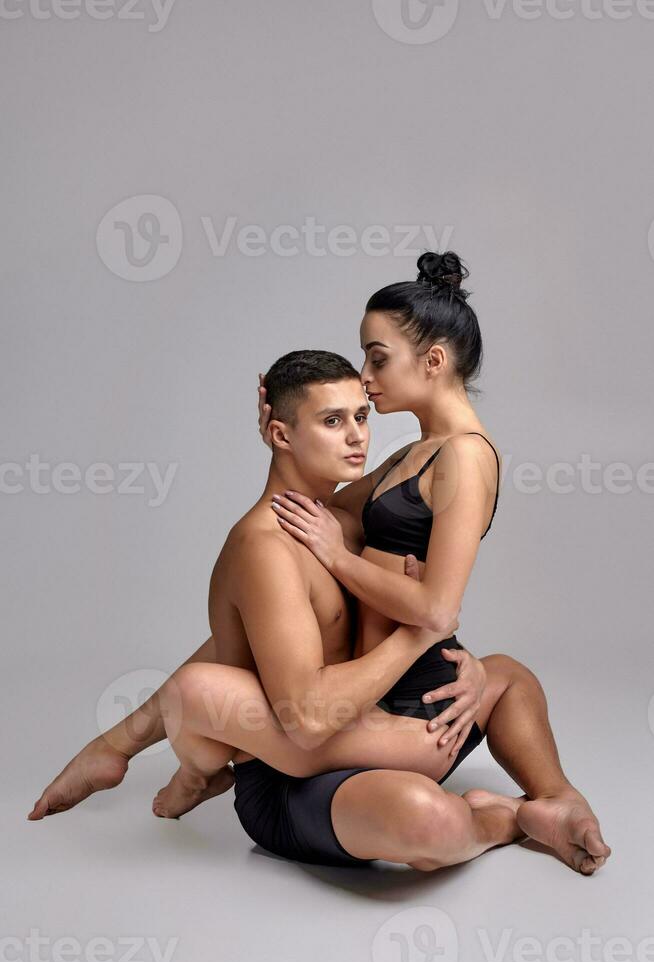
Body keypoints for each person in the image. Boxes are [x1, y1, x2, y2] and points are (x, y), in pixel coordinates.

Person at [28, 254, 611, 875]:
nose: (365, 384)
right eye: (336, 419)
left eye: (375, 363)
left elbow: (430, 603)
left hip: (393, 712)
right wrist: (286, 434)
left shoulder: (459, 456)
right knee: (423, 811)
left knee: (507, 678)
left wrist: (407, 614)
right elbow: (318, 521)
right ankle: (514, 814)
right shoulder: (402, 461)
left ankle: (552, 804)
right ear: (283, 432)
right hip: (334, 743)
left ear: (433, 361)